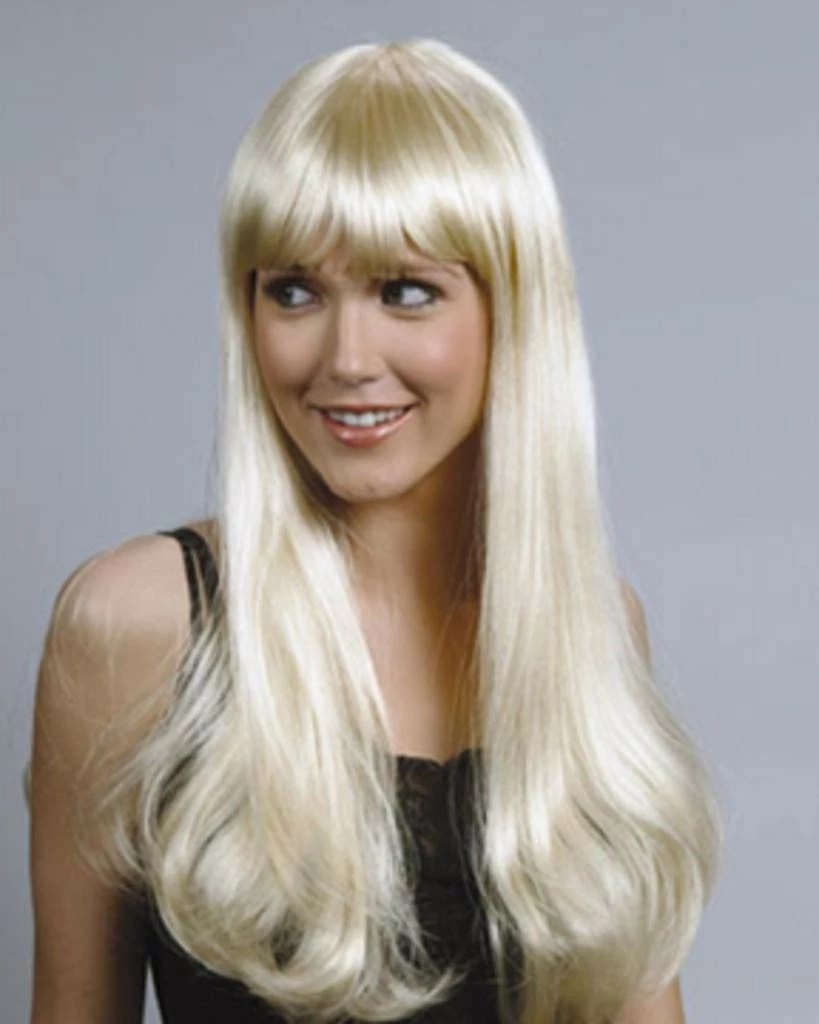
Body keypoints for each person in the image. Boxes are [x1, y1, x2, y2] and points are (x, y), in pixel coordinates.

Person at [27, 38, 722, 1024]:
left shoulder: (593, 630)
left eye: (404, 290)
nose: (347, 358)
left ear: (512, 309)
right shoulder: (135, 629)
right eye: (294, 290)